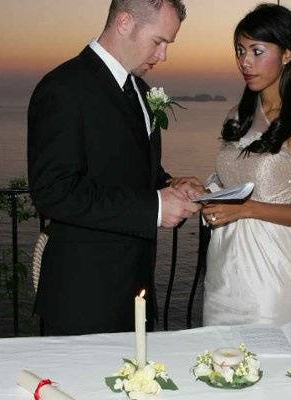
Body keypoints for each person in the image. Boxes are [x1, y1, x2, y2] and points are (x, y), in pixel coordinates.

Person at [27, 0, 202, 335]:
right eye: (158, 42)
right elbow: (53, 192)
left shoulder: (140, 89)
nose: (163, 55)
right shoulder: (63, 88)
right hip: (85, 297)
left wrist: (171, 184)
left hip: (135, 288)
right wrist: (155, 207)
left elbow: (131, 166)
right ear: (124, 23)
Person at [201, 4, 291, 326]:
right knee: (215, 364)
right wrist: (202, 191)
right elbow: (232, 184)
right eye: (240, 51)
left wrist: (248, 209)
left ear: (287, 55)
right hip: (222, 267)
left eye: (256, 51)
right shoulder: (237, 114)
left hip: (270, 272)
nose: (244, 62)